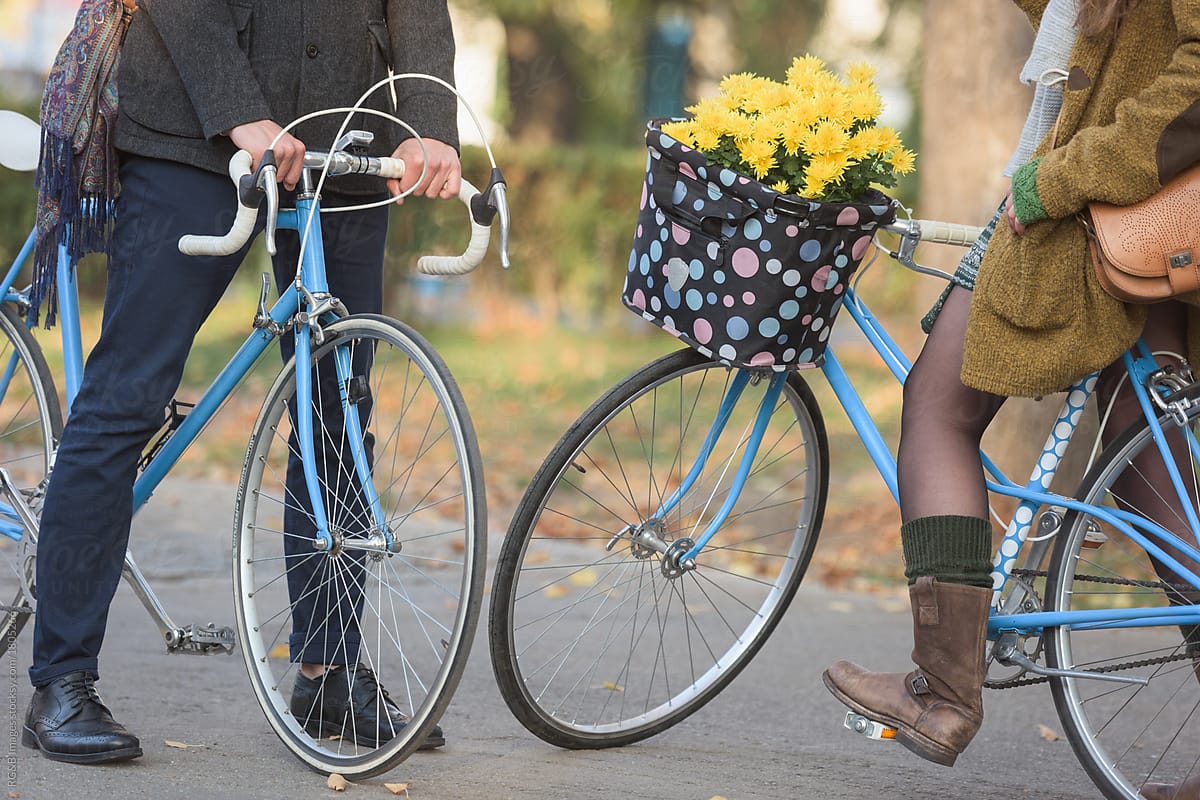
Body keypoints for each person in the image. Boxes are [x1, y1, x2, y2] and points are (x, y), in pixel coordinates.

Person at [22, 0, 463, 764]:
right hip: (194, 138)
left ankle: (327, 673)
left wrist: (428, 120)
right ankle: (60, 678)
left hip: (344, 144)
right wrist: (239, 114)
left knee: (340, 413)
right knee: (128, 395)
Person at [822, 0, 1200, 783]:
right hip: (1136, 217)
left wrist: (1054, 182)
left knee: (939, 408)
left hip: (1095, 208)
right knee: (1151, 470)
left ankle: (942, 691)